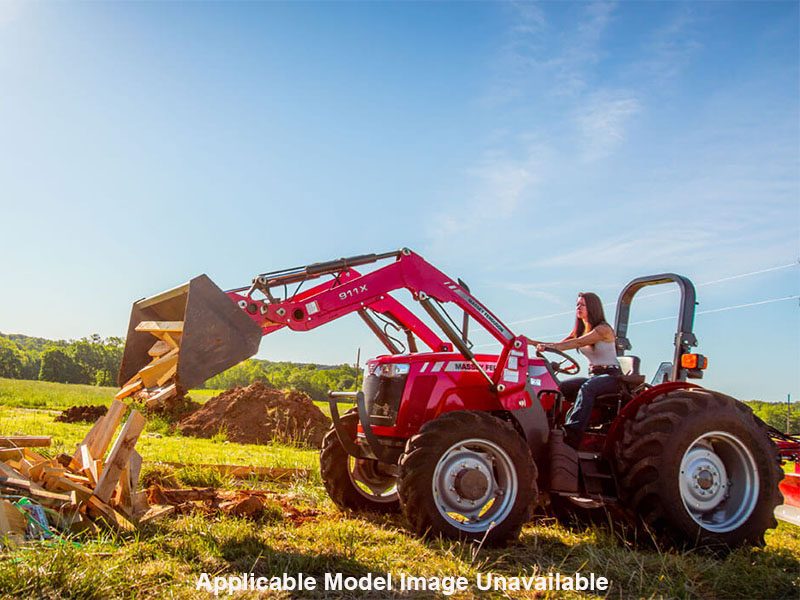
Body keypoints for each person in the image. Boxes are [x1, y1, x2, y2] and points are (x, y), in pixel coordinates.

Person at [531, 292, 621, 448]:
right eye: (577, 304)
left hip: (611, 376)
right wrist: (530, 342)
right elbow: (558, 345)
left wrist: (547, 347)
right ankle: (547, 425)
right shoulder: (580, 330)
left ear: (592, 308)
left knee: (587, 388)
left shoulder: (603, 329)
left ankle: (572, 433)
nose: (578, 307)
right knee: (561, 388)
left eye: (582, 305)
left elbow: (576, 343)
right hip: (594, 376)